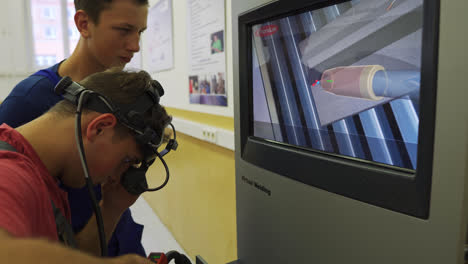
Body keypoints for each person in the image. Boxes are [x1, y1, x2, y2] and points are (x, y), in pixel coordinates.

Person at [0, 0, 150, 257]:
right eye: (124, 30)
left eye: (140, 32)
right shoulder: (28, 101)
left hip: (110, 238)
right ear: (83, 24)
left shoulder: (117, 94)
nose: (135, 46)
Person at [0, 69, 170, 264]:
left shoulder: (44, 176)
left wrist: (111, 209)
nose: (116, 177)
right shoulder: (8, 173)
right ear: (100, 128)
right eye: (126, 160)